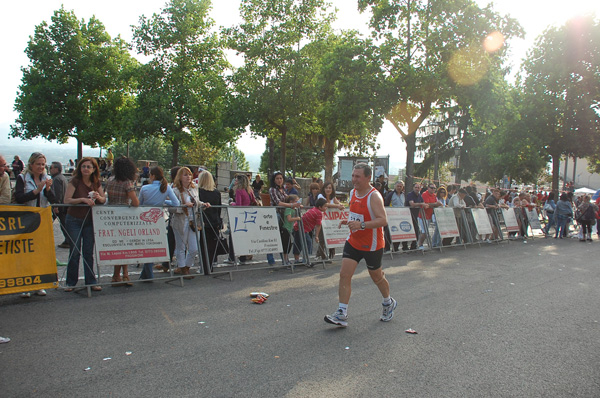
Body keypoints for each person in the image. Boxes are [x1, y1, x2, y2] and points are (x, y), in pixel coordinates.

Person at [324, 163, 396, 327]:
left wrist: (361, 225)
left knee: (377, 277)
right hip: (354, 240)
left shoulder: (374, 196)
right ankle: (342, 313)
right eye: (353, 176)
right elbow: (357, 213)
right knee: (344, 274)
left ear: (368, 177)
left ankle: (388, 302)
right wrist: (349, 221)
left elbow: (383, 220)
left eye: (358, 176)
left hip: (372, 244)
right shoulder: (353, 192)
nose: (354, 179)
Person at [14, 152, 58, 297]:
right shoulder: (22, 178)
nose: (40, 167)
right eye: (38, 164)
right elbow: (19, 198)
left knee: (40, 252)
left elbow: (53, 199)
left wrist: (48, 190)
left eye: (43, 164)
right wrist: (36, 190)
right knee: (26, 252)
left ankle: (39, 284)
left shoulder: (48, 178)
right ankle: (24, 285)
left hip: (42, 220)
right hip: (26, 219)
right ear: (31, 164)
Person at [63, 157, 106, 292]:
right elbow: (67, 200)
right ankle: (71, 282)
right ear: (80, 168)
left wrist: (99, 198)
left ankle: (91, 281)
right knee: (75, 251)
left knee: (88, 252)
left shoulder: (96, 182)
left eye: (89, 167)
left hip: (90, 220)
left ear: (94, 169)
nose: (86, 169)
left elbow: (103, 199)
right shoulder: (75, 181)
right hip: (74, 219)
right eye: (84, 166)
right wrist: (82, 200)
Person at [139, 166, 180, 278]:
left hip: (145, 219)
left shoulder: (145, 188)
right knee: (154, 244)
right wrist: (163, 202)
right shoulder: (166, 187)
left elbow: (139, 203)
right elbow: (176, 203)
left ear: (152, 176)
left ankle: (147, 273)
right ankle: (147, 272)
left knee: (147, 244)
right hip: (158, 219)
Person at [105, 157, 140, 286]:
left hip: (112, 215)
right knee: (125, 246)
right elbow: (135, 202)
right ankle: (124, 274)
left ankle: (116, 275)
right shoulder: (127, 183)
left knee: (117, 246)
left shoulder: (110, 181)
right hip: (124, 216)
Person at [171, 167, 209, 278]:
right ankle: (183, 268)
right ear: (180, 177)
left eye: (189, 174)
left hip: (194, 220)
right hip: (181, 220)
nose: (188, 177)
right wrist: (182, 206)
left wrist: (203, 204)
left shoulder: (194, 188)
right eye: (185, 175)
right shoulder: (175, 190)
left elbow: (197, 202)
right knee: (181, 246)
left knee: (194, 247)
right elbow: (170, 208)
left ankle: (186, 266)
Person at [268, 172, 302, 265]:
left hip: (283, 216)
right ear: (274, 180)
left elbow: (288, 198)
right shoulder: (272, 189)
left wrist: (297, 203)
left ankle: (284, 260)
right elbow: (278, 203)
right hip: (276, 215)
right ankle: (271, 259)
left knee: (283, 238)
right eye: (277, 178)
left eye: (281, 178)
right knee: (273, 237)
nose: (279, 180)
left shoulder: (283, 189)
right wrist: (292, 205)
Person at [197, 170, 222, 271]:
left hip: (203, 221)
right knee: (211, 246)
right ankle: (210, 266)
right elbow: (219, 208)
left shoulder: (199, 191)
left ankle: (204, 266)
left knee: (203, 245)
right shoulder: (216, 192)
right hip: (214, 221)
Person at [292, 197, 327, 265]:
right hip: (301, 229)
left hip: (298, 227)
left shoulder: (313, 209)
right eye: (325, 206)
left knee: (298, 243)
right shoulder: (319, 213)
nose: (326, 208)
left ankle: (298, 260)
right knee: (308, 243)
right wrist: (316, 236)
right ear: (320, 207)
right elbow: (318, 225)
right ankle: (306, 260)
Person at [316, 181, 344, 260]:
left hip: (331, 222)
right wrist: (337, 206)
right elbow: (326, 204)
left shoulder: (333, 197)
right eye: (326, 188)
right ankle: (322, 256)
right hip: (321, 221)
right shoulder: (320, 196)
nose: (328, 190)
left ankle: (327, 254)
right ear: (323, 189)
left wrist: (341, 206)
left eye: (330, 188)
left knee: (332, 237)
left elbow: (339, 204)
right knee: (322, 239)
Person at [49, 161, 70, 248]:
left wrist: (56, 205)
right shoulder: (62, 177)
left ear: (56, 169)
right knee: (63, 223)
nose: (49, 170)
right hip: (64, 205)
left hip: (60, 205)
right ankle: (68, 240)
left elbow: (58, 193)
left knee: (60, 223)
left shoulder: (56, 179)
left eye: (51, 168)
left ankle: (68, 240)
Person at [416, 183, 442, 250]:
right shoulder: (425, 194)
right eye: (431, 188)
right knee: (424, 231)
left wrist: (438, 204)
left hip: (429, 215)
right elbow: (426, 205)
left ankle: (424, 244)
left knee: (425, 231)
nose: (433, 189)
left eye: (434, 188)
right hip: (422, 216)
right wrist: (435, 204)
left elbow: (436, 204)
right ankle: (420, 244)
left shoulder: (434, 195)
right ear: (428, 188)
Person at [384, 181, 408, 252]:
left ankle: (395, 248)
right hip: (391, 217)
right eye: (398, 186)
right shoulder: (391, 194)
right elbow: (386, 204)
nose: (399, 188)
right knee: (389, 233)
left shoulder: (404, 195)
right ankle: (387, 248)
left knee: (398, 232)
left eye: (401, 186)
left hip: (401, 217)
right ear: (395, 186)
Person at [406, 182, 427, 250]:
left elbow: (423, 203)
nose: (417, 189)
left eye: (418, 187)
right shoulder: (410, 194)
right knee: (406, 231)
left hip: (415, 216)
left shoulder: (419, 195)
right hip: (407, 215)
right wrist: (421, 204)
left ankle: (413, 246)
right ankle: (405, 246)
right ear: (413, 188)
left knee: (416, 231)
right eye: (416, 187)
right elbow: (412, 204)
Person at [282, 195, 301, 265]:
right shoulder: (288, 209)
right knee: (286, 245)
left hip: (290, 229)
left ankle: (287, 260)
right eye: (296, 201)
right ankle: (285, 260)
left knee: (289, 245)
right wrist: (297, 218)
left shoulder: (293, 209)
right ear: (291, 202)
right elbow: (289, 219)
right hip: (286, 229)